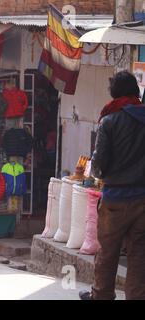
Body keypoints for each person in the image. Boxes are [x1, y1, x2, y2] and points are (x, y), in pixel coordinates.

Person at [79, 71, 145, 300]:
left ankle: (101, 295)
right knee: (139, 256)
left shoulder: (110, 120)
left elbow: (98, 166)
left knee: (108, 253)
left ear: (114, 93)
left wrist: (99, 173)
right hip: (143, 200)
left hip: (115, 199)